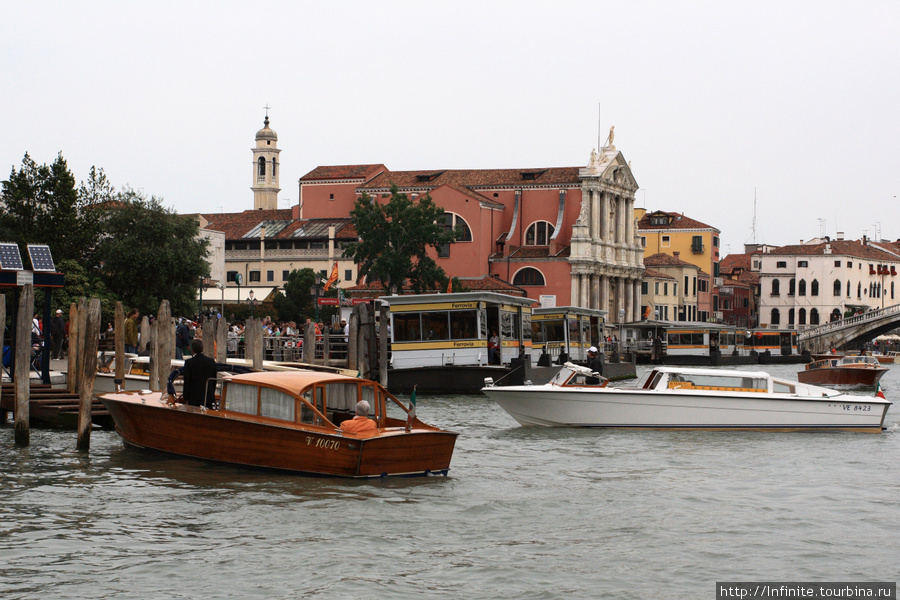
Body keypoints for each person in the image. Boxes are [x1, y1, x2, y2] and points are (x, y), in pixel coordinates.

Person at [182, 338, 218, 408]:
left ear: (193, 349)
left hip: (194, 399)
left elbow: (187, 381)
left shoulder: (189, 363)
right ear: (202, 348)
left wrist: (186, 397)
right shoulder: (211, 361)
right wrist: (211, 393)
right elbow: (214, 380)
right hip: (208, 398)